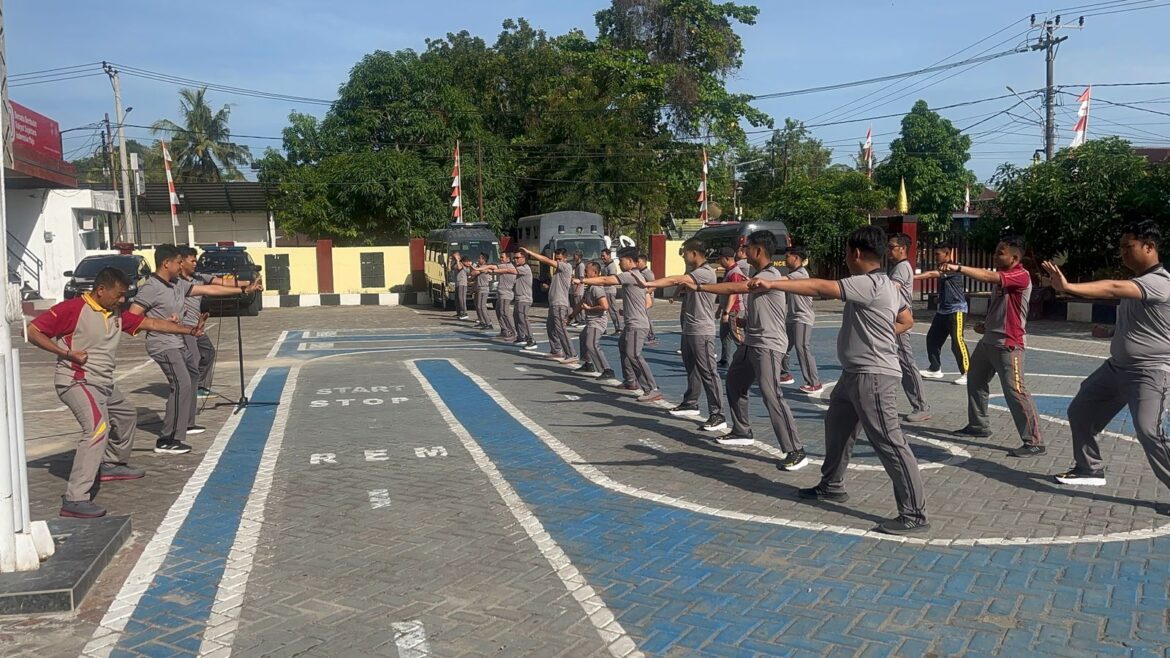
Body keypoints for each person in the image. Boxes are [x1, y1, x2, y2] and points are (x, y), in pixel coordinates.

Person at [747, 226, 929, 535]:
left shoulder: (868, 283)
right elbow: (906, 320)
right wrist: (881, 334)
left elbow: (821, 288)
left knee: (890, 442)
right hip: (853, 374)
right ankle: (831, 484)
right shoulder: (887, 285)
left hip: (872, 376)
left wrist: (773, 283)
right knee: (838, 427)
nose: (845, 258)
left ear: (856, 253)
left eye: (846, 252)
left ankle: (914, 514)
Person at [28, 267, 207, 518]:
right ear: (101, 290)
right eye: (119, 294)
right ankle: (75, 498)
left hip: (103, 382)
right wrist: (66, 354)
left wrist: (189, 331)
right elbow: (33, 331)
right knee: (97, 429)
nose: (123, 300)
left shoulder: (115, 313)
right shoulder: (74, 308)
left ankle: (111, 464)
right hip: (77, 381)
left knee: (125, 414)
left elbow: (151, 323)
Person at [1044, 220, 1170, 495]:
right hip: (1116, 369)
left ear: (1149, 247)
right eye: (1122, 247)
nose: (1122, 253)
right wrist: (1111, 332)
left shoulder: (1160, 282)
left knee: (1149, 431)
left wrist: (1068, 287)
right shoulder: (1139, 284)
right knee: (1081, 410)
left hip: (1148, 373)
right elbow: (1144, 323)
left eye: (1129, 247)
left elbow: (1113, 288)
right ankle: (1089, 468)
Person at [679, 231, 806, 470]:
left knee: (772, 396)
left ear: (758, 251)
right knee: (735, 383)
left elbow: (734, 288)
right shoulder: (757, 273)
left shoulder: (769, 275)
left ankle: (795, 449)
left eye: (747, 248)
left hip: (768, 345)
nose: (743, 252)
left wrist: (699, 287)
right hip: (751, 342)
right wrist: (748, 322)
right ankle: (742, 430)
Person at [130, 244, 260, 454]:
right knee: (181, 384)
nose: (181, 265)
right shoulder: (151, 287)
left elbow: (210, 288)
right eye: (178, 262)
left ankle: (184, 426)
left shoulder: (176, 284)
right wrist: (161, 321)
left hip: (178, 341)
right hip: (163, 344)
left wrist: (243, 289)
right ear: (167, 263)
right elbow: (132, 317)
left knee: (191, 376)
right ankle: (168, 439)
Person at [943, 236, 1045, 457]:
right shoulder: (1005, 278)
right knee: (976, 380)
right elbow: (1003, 306)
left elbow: (989, 276)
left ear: (1015, 257)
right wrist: (987, 324)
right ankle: (978, 426)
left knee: (1016, 392)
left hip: (1009, 344)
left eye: (1001, 252)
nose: (995, 255)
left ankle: (1034, 442)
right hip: (989, 341)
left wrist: (958, 267)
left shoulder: (1020, 275)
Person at [641, 239, 726, 432]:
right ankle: (691, 402)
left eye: (685, 252)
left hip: (701, 330)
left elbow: (675, 279)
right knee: (692, 369)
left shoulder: (704, 273)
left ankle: (717, 413)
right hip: (689, 328)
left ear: (694, 253)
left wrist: (649, 283)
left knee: (708, 372)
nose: (684, 256)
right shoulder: (693, 273)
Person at [577, 247, 662, 402]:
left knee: (634, 355)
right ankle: (630, 381)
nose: (620, 264)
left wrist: (582, 280)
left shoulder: (630, 275)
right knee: (623, 347)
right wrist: (631, 309)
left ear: (630, 261)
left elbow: (605, 280)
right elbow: (647, 300)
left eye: (621, 260)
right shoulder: (636, 276)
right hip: (632, 322)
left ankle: (652, 388)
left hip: (637, 325)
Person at [177, 246, 249, 406]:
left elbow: (222, 282)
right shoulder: (177, 283)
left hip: (197, 325)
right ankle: (188, 388)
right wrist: (241, 290)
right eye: (192, 260)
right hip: (184, 326)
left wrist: (247, 284)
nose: (196, 263)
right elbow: (212, 289)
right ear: (181, 262)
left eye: (196, 260)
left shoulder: (199, 277)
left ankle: (200, 385)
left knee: (208, 352)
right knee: (193, 357)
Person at [886, 233, 932, 423]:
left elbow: (890, 290)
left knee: (907, 364)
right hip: (895, 320)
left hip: (900, 323)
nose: (889, 251)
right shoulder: (898, 267)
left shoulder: (902, 268)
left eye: (892, 247)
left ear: (902, 249)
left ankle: (921, 406)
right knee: (895, 364)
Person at [914, 243, 970, 384]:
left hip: (956, 310)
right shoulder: (943, 267)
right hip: (943, 310)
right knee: (932, 339)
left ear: (947, 254)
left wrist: (912, 277)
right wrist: (941, 297)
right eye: (935, 253)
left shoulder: (953, 267)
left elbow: (932, 274)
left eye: (938, 254)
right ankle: (935, 369)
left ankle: (968, 373)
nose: (936, 256)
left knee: (957, 342)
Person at [522, 247, 577, 363]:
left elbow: (546, 261)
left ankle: (571, 354)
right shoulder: (558, 271)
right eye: (556, 258)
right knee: (550, 327)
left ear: (565, 258)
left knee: (560, 329)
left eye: (560, 259)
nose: (557, 261)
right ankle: (556, 350)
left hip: (560, 303)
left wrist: (530, 252)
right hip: (553, 303)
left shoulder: (565, 266)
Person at [778, 246, 822, 393]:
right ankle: (784, 374)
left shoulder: (800, 274)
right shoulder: (793, 273)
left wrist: (759, 279)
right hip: (792, 317)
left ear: (796, 257)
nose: (785, 260)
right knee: (783, 345)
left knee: (802, 347)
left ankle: (814, 382)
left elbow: (780, 281)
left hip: (802, 318)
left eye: (787, 256)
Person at [566, 261, 615, 380]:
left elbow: (605, 306)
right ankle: (588, 363)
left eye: (586, 271)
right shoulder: (589, 288)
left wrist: (590, 308)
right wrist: (571, 317)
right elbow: (581, 303)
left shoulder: (596, 289)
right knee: (583, 337)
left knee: (591, 344)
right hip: (590, 321)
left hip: (597, 322)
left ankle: (607, 369)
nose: (584, 273)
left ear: (595, 273)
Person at [716, 247, 746, 368]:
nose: (719, 262)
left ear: (727, 258)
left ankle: (746, 359)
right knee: (724, 335)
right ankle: (724, 359)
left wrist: (727, 312)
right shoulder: (728, 271)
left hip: (735, 310)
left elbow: (734, 293)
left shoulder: (735, 273)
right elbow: (725, 293)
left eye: (720, 259)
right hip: (727, 309)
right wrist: (720, 309)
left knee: (737, 336)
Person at [484, 252, 518, 342]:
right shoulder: (504, 266)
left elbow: (492, 267)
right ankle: (504, 330)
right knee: (498, 311)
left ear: (508, 259)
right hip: (501, 293)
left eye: (502, 257)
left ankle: (513, 332)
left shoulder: (507, 266)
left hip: (506, 294)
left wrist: (478, 268)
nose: (501, 259)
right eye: (500, 257)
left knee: (505, 313)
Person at [511, 250, 538, 350]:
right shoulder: (519, 268)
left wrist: (494, 270)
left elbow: (510, 271)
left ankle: (531, 339)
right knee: (516, 317)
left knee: (523, 319)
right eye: (514, 258)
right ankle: (521, 337)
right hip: (518, 298)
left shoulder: (525, 268)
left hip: (525, 298)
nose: (515, 260)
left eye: (517, 258)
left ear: (524, 258)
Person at [637, 254, 658, 345]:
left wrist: (644, 294)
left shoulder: (648, 273)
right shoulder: (639, 272)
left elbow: (653, 286)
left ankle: (652, 336)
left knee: (646, 317)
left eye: (638, 262)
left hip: (647, 299)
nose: (637, 263)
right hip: (642, 298)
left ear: (643, 262)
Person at [469, 253, 494, 331]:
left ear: (484, 260)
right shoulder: (478, 267)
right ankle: (482, 321)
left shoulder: (484, 267)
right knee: (478, 306)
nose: (478, 260)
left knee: (482, 306)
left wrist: (470, 266)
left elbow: (474, 272)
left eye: (480, 258)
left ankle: (488, 323)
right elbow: (472, 275)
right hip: (478, 288)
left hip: (484, 288)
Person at [600, 249, 623, 334]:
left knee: (612, 310)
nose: (602, 257)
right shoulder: (605, 266)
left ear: (609, 255)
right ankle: (603, 328)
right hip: (604, 290)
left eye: (604, 255)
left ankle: (619, 328)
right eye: (601, 255)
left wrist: (602, 281)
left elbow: (611, 279)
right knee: (603, 310)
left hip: (609, 291)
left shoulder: (611, 266)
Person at [450, 252, 469, 320]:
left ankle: (464, 312)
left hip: (462, 283)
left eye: (455, 256)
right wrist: (451, 260)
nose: (454, 258)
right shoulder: (455, 263)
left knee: (461, 299)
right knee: (457, 299)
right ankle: (459, 312)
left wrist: (458, 260)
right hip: (457, 283)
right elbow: (451, 268)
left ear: (459, 257)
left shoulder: (461, 263)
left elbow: (459, 268)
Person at [570, 250, 585, 327]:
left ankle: (582, 319)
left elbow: (581, 279)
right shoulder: (576, 265)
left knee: (579, 304)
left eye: (575, 255)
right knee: (574, 305)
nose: (573, 257)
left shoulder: (581, 266)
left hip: (578, 290)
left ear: (578, 256)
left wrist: (577, 290)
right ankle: (577, 319)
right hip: (573, 288)